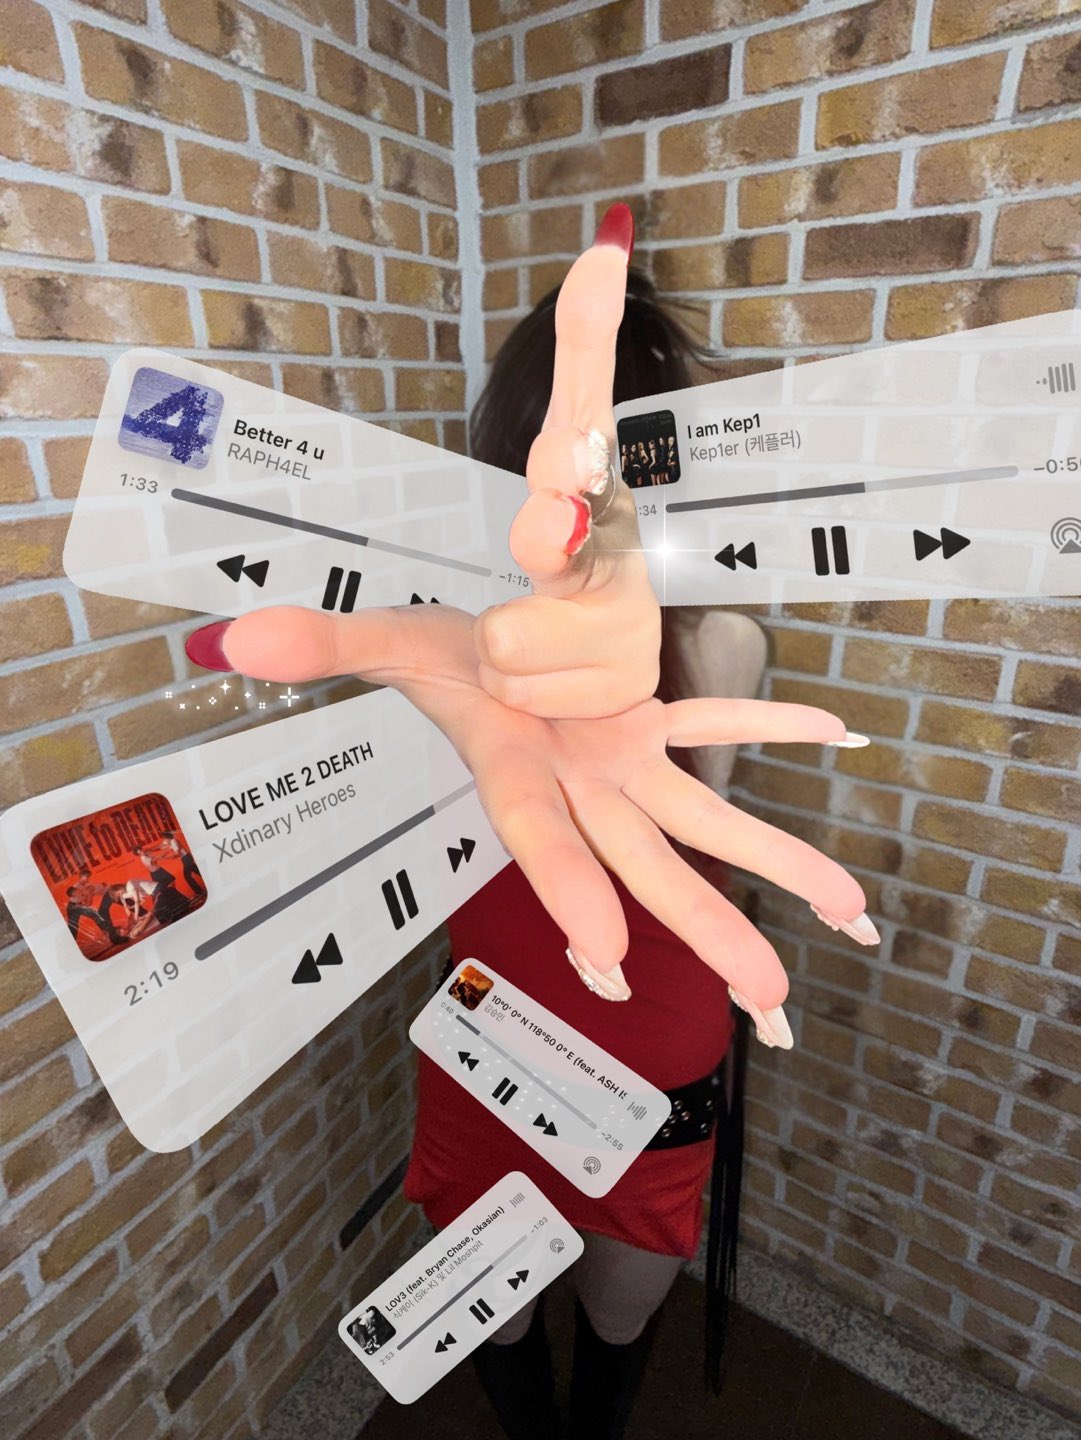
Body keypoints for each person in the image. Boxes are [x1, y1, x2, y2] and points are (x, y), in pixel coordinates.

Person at [186, 204, 879, 1438]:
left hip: (643, 1032)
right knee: (490, 1298)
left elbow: (694, 835)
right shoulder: (444, 641)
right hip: (489, 1023)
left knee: (615, 1304)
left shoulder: (720, 639)